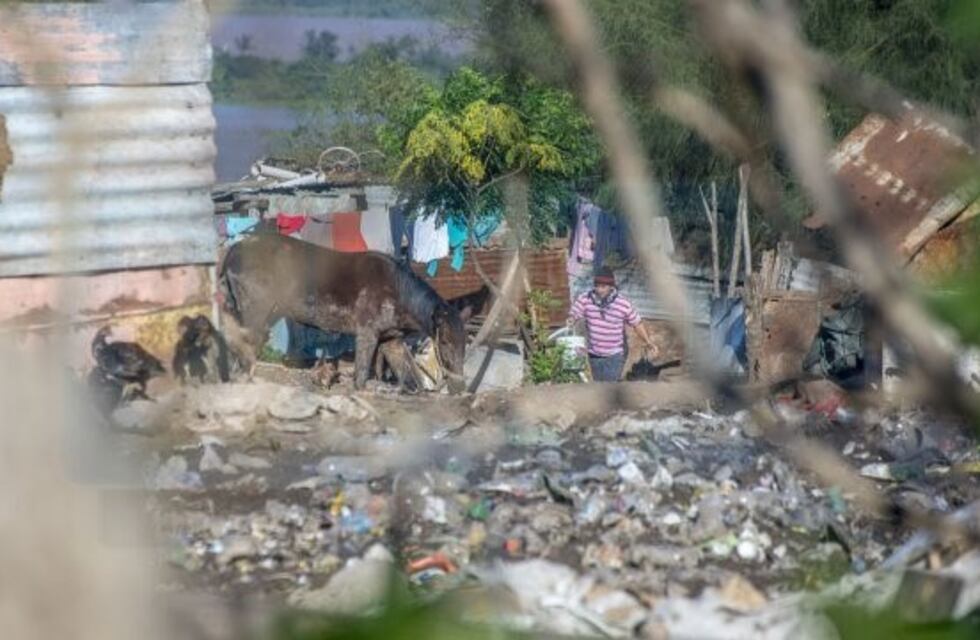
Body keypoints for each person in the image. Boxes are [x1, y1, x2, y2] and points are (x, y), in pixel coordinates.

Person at [569, 266, 658, 382]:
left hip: (614, 355)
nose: (599, 290)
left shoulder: (622, 304)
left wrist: (648, 342)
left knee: (609, 387)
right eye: (597, 286)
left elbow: (637, 323)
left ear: (611, 286)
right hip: (594, 354)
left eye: (603, 287)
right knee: (599, 386)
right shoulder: (585, 299)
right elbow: (574, 314)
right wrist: (571, 320)